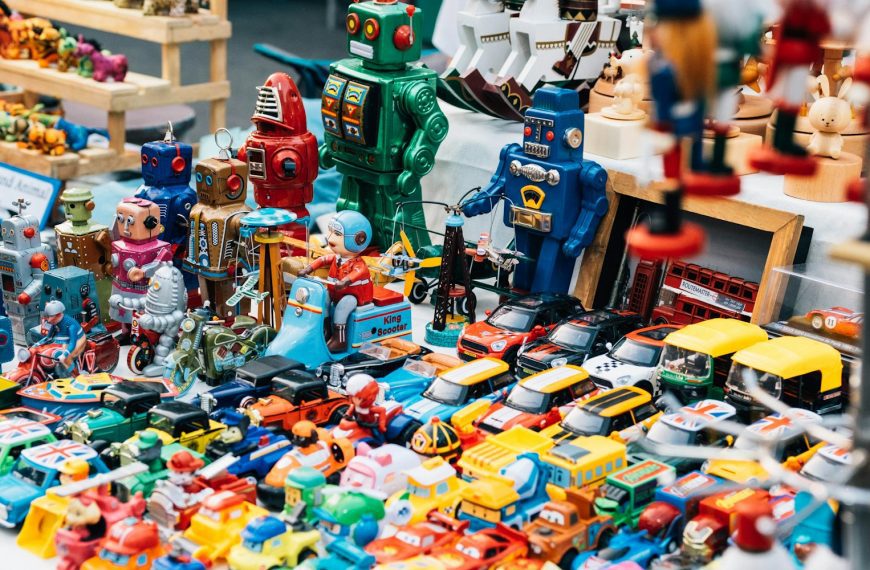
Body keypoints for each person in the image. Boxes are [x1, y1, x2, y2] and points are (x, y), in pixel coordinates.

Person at [298, 211, 373, 351]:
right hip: (335, 293)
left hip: (353, 297)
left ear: (358, 239)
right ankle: (326, 330)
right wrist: (308, 269)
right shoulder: (336, 257)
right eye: (331, 232)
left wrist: (344, 282)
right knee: (323, 298)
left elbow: (358, 272)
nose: (330, 238)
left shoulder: (358, 264)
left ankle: (340, 339)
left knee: (342, 307)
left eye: (337, 234)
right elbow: (322, 260)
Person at [34, 300, 86, 374]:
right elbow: (48, 337)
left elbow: (72, 342)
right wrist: (37, 344)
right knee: (50, 352)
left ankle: (75, 375)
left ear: (58, 315)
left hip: (78, 340)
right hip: (63, 341)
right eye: (47, 316)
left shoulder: (71, 325)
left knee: (66, 358)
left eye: (49, 317)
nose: (48, 320)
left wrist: (64, 355)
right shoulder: (55, 323)